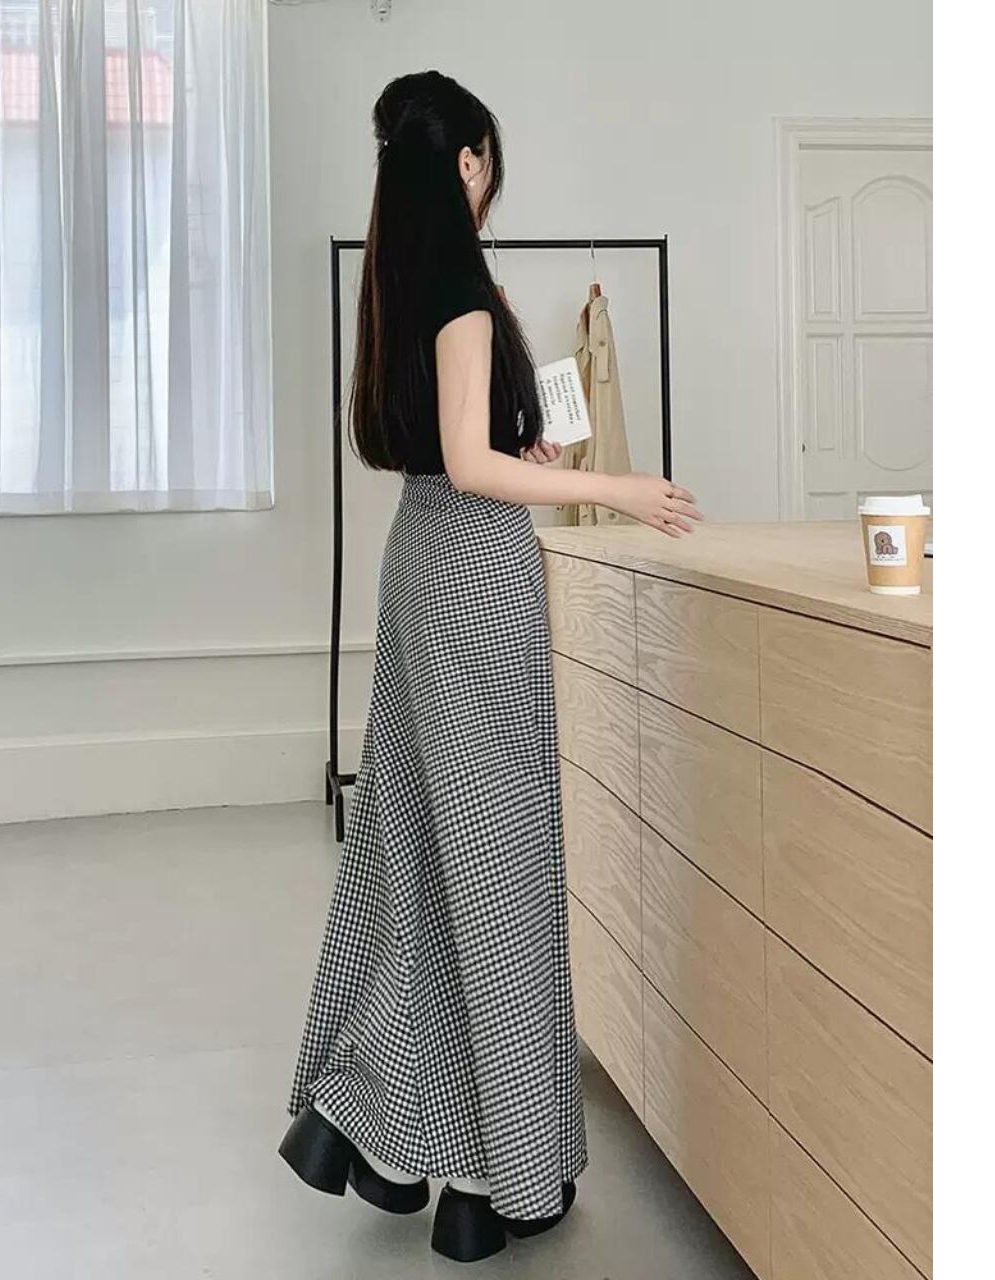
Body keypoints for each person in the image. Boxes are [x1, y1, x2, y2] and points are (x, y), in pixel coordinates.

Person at [278, 70, 701, 1265]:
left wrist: (534, 447)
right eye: (487, 164)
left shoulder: (399, 286)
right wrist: (617, 486)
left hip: (417, 558)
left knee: (416, 845)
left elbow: (450, 450)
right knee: (502, 865)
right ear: (467, 159)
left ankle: (381, 1130)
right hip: (472, 570)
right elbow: (473, 468)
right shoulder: (462, 292)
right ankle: (492, 1173)